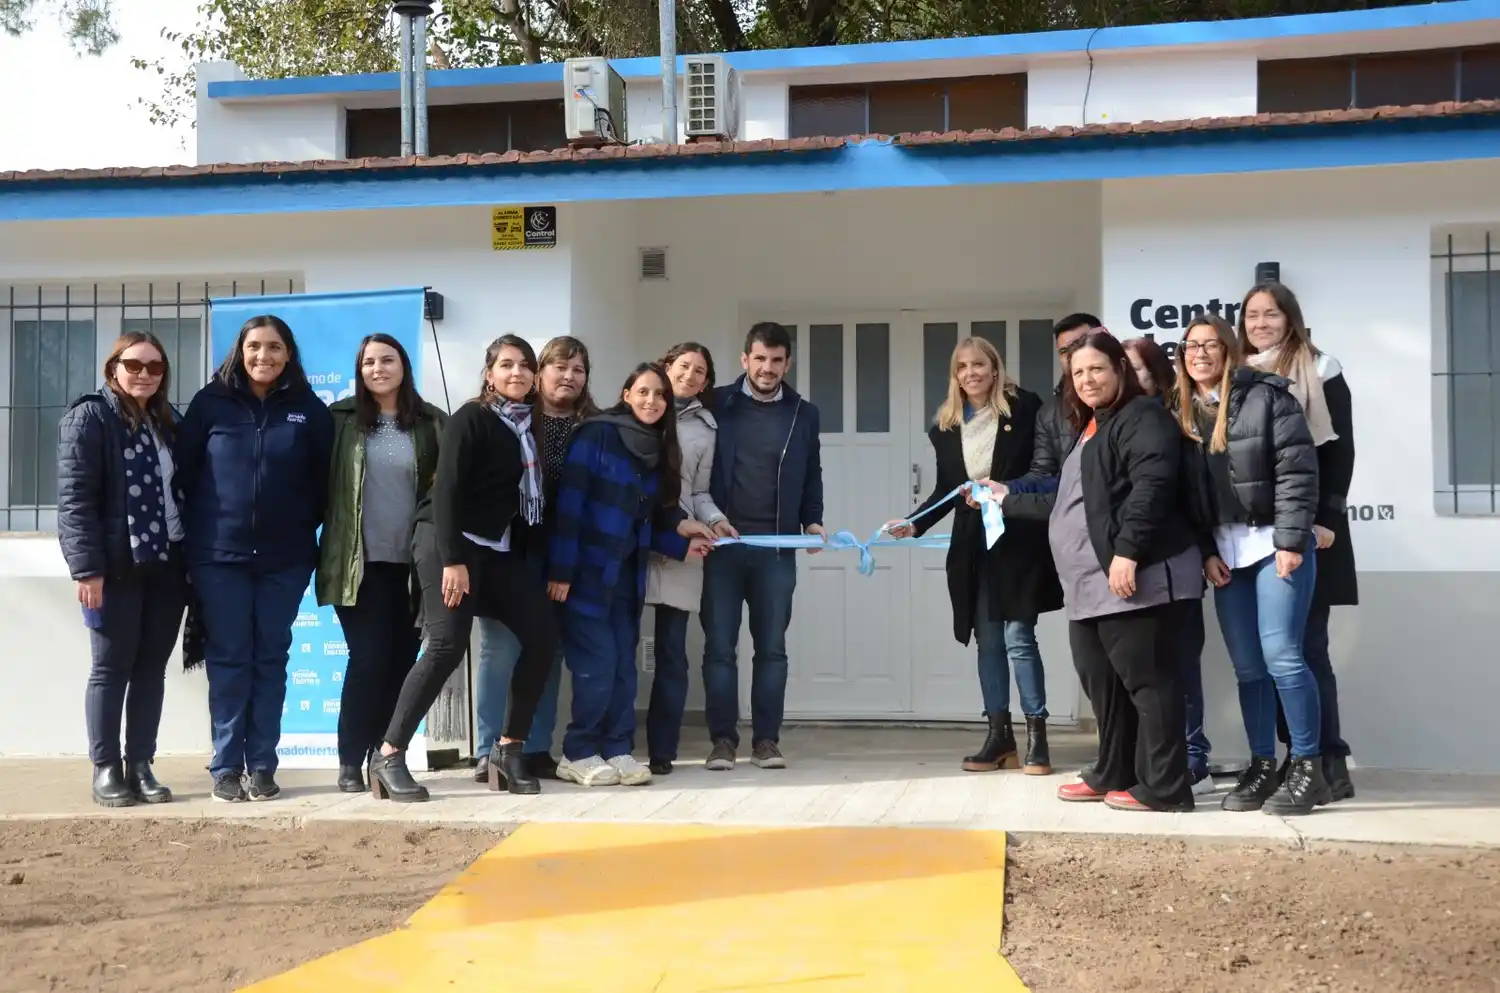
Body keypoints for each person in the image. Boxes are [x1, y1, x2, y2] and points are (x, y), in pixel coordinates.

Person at [996, 330, 1203, 812]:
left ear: (1120, 372)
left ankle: (1166, 787)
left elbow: (1152, 486)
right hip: (1088, 586)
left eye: (1098, 369)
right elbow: (1068, 501)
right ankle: (1114, 770)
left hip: (1137, 577)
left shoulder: (1142, 417)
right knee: (1103, 683)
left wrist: (1127, 552)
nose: (1088, 379)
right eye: (1079, 372)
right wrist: (1006, 498)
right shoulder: (1093, 426)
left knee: (1148, 682)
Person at [371, 335, 560, 801]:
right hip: (445, 541)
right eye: (506, 365)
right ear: (489, 373)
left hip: (495, 550)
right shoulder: (471, 418)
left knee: (543, 637)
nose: (517, 373)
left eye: (525, 366)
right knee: (445, 646)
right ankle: (388, 755)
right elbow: (449, 490)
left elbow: (523, 508)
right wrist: (453, 560)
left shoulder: (526, 428)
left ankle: (507, 750)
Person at [176, 315, 334, 803]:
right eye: (254, 347)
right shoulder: (209, 404)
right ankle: (226, 767)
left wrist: (296, 528)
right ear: (239, 352)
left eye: (274, 348)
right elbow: (184, 476)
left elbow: (325, 484)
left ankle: (262, 765)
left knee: (270, 658)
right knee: (229, 659)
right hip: (219, 558)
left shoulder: (309, 410)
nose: (263, 356)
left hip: (285, 561)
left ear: (289, 354)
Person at [885, 337, 1061, 774]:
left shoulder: (1024, 409)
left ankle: (1036, 735)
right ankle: (999, 737)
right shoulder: (944, 427)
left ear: (995, 368)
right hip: (972, 544)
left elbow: (1040, 470)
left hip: (1017, 537)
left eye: (979, 364)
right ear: (955, 375)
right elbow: (946, 489)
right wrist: (915, 523)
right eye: (962, 366)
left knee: (1020, 638)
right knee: (989, 642)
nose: (971, 373)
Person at [1176, 315, 1329, 815]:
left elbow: (1297, 471)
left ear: (1229, 349)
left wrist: (1290, 541)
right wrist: (1206, 551)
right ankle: (1263, 764)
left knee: (1283, 656)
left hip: (1274, 546)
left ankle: (1309, 765)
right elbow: (1188, 496)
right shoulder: (1182, 411)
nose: (1199, 353)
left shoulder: (1268, 396)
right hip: (1228, 557)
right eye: (1191, 346)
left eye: (1210, 344)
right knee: (1248, 668)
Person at [548, 364, 715, 786]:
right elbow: (569, 506)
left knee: (624, 665)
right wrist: (561, 571)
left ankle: (618, 748)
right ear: (626, 394)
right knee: (597, 664)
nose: (652, 401)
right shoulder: (597, 435)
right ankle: (578, 751)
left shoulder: (656, 450)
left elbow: (650, 521)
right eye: (643, 392)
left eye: (660, 395)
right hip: (584, 574)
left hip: (625, 576)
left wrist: (683, 543)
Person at [57, 331, 189, 808]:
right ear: (113, 369)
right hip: (114, 568)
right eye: (134, 365)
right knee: (111, 669)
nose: (145, 375)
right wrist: (85, 569)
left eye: (155, 367)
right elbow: (75, 501)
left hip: (167, 565)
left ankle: (141, 764)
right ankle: (107, 767)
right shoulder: (90, 417)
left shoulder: (169, 420)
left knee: (151, 670)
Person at [1240, 283, 1359, 801]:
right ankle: (1294, 759)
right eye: (1251, 315)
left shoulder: (1321, 367)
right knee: (1272, 654)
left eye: (1271, 314)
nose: (1260, 323)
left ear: (1290, 318)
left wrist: (1327, 516)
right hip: (1259, 536)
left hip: (1314, 529)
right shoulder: (1239, 373)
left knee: (1308, 649)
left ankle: (1328, 762)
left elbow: (1341, 451)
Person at [315, 334, 447, 794]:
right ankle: (351, 759)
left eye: (387, 360)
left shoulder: (432, 422)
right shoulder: (340, 420)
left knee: (402, 663)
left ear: (403, 366)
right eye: (368, 362)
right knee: (368, 659)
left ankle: (385, 753)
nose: (378, 368)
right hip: (358, 564)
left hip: (413, 567)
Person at [701, 322, 825, 771]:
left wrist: (813, 520)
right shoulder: (715, 403)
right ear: (744, 360)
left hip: (776, 550)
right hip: (722, 548)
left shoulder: (803, 413)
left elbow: (812, 473)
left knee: (771, 648)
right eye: (760, 359)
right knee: (719, 647)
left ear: (787, 363)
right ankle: (721, 741)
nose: (767, 368)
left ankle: (767, 742)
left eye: (776, 360)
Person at [472, 335, 596, 784]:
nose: (568, 377)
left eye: (578, 369)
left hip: (565, 558)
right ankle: (490, 750)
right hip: (511, 555)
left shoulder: (593, 426)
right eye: (559, 367)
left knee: (550, 650)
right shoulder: (513, 420)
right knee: (501, 649)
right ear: (539, 373)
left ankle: (535, 745)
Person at [1125, 335, 1215, 796]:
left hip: (1176, 560)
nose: (1128, 376)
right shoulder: (1112, 424)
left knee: (1182, 664)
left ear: (1157, 374)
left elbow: (1195, 495)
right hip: (1131, 568)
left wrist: (1205, 548)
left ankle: (1194, 755)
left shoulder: (1179, 419)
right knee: (1148, 670)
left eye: (1137, 369)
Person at [643, 342, 725, 775]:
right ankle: (613, 743)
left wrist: (716, 519)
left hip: (685, 545)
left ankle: (662, 751)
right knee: (619, 648)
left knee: (673, 653)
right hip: (637, 542)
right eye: (683, 366)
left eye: (700, 372)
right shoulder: (637, 409)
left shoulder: (707, 430)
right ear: (665, 366)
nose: (690, 376)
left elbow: (700, 491)